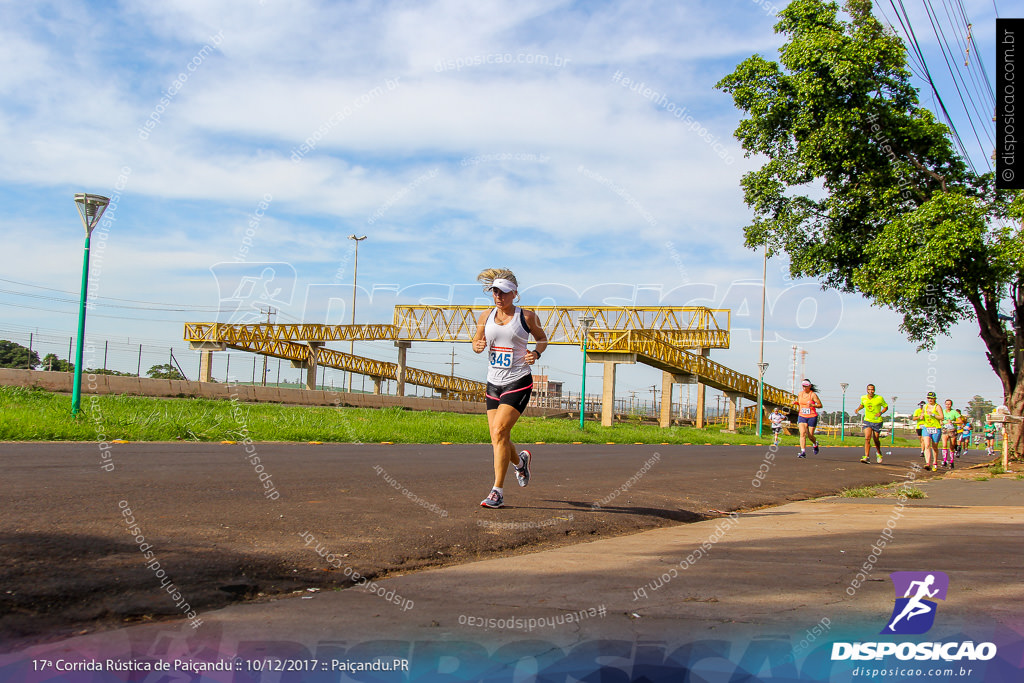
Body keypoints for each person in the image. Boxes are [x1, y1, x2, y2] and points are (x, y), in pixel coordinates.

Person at [471, 268, 548, 509]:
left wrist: (535, 353)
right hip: (493, 382)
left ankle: (497, 491)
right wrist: (478, 345)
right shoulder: (485, 316)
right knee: (498, 436)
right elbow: (475, 342)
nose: (499, 297)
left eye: (503, 292)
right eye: (495, 292)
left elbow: (542, 339)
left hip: (518, 380)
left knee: (500, 430)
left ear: (514, 293)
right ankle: (520, 462)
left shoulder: (526, 317)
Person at [854, 383, 889, 464]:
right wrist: (858, 409)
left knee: (876, 439)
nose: (871, 391)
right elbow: (862, 404)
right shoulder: (863, 397)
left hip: (877, 421)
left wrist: (881, 412)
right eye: (869, 389)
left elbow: (886, 407)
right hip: (867, 421)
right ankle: (867, 456)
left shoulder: (879, 398)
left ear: (874, 390)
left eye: (872, 389)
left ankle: (879, 452)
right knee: (867, 438)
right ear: (867, 390)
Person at [792, 379, 822, 458]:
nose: (804, 388)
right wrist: (796, 403)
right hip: (802, 416)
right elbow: (801, 403)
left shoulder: (813, 395)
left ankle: (815, 444)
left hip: (812, 416)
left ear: (810, 386)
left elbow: (820, 405)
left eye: (806, 386)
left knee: (810, 435)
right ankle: (803, 452)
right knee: (802, 434)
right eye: (803, 386)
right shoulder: (800, 394)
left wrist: (813, 405)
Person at [913, 392, 944, 471]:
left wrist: (933, 415)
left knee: (934, 446)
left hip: (936, 428)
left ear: (934, 399)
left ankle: (935, 463)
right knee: (926, 445)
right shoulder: (925, 406)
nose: (930, 399)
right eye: (928, 398)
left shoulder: (937, 407)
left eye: (931, 398)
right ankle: (927, 463)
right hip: (926, 427)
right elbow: (922, 414)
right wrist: (922, 416)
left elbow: (941, 417)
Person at [940, 400, 961, 469]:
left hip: (952, 430)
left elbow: (960, 421)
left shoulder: (954, 412)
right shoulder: (942, 412)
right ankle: (945, 460)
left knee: (952, 446)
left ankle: (952, 461)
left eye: (949, 404)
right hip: (945, 429)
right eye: (946, 404)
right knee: (944, 445)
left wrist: (952, 421)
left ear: (951, 405)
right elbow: (939, 419)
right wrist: (941, 422)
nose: (948, 406)